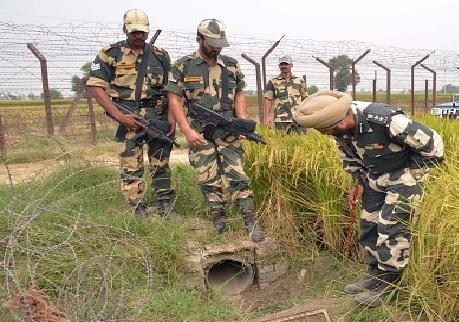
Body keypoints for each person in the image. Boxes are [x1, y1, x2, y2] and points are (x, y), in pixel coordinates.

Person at [292, 91, 444, 307]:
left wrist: (412, 174)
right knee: (369, 224)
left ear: (342, 119)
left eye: (329, 130)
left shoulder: (385, 121)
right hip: (373, 176)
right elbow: (349, 154)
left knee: (391, 228)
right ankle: (376, 274)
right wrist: (358, 182)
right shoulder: (339, 130)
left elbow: (434, 144)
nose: (329, 135)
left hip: (404, 173)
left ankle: (391, 284)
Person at [165, 19, 264, 242]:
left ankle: (250, 219)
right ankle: (218, 219)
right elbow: (174, 99)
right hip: (199, 132)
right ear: (199, 38)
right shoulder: (183, 65)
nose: (217, 47)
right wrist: (187, 130)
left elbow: (239, 94)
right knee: (208, 178)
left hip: (228, 131)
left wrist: (241, 123)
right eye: (211, 43)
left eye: (220, 43)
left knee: (238, 175)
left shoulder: (231, 64)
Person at [86, 9, 177, 218]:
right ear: (125, 29)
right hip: (128, 116)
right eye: (134, 31)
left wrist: (172, 119)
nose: (139, 36)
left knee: (161, 163)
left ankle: (164, 205)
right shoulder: (110, 53)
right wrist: (119, 116)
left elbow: (171, 89)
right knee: (131, 164)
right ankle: (138, 209)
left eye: (143, 31)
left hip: (157, 117)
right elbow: (95, 87)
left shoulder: (160, 55)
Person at [263, 55, 308, 134]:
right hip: (281, 119)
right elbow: (268, 99)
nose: (284, 66)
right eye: (282, 64)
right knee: (282, 143)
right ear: (279, 66)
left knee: (302, 142)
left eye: (286, 64)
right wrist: (267, 116)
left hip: (298, 118)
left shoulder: (299, 80)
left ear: (291, 65)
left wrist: (306, 114)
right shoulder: (273, 81)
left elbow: (305, 98)